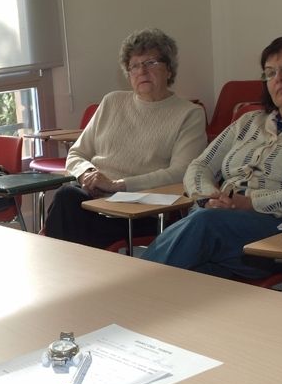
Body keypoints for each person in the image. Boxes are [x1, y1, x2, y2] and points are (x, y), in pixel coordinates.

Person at [143, 35, 282, 278]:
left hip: (275, 228)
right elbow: (200, 165)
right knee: (196, 273)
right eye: (270, 72)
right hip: (218, 222)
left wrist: (252, 203)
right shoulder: (248, 122)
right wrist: (208, 196)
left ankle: (126, 294)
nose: (279, 78)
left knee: (203, 228)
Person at [44, 28, 206, 248]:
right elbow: (76, 153)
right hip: (96, 200)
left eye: (150, 63)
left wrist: (119, 185)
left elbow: (182, 172)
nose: (142, 71)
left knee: (67, 209)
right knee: (67, 198)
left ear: (169, 69)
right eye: (134, 66)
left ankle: (67, 269)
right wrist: (88, 173)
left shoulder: (189, 113)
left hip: (142, 209)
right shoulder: (112, 102)